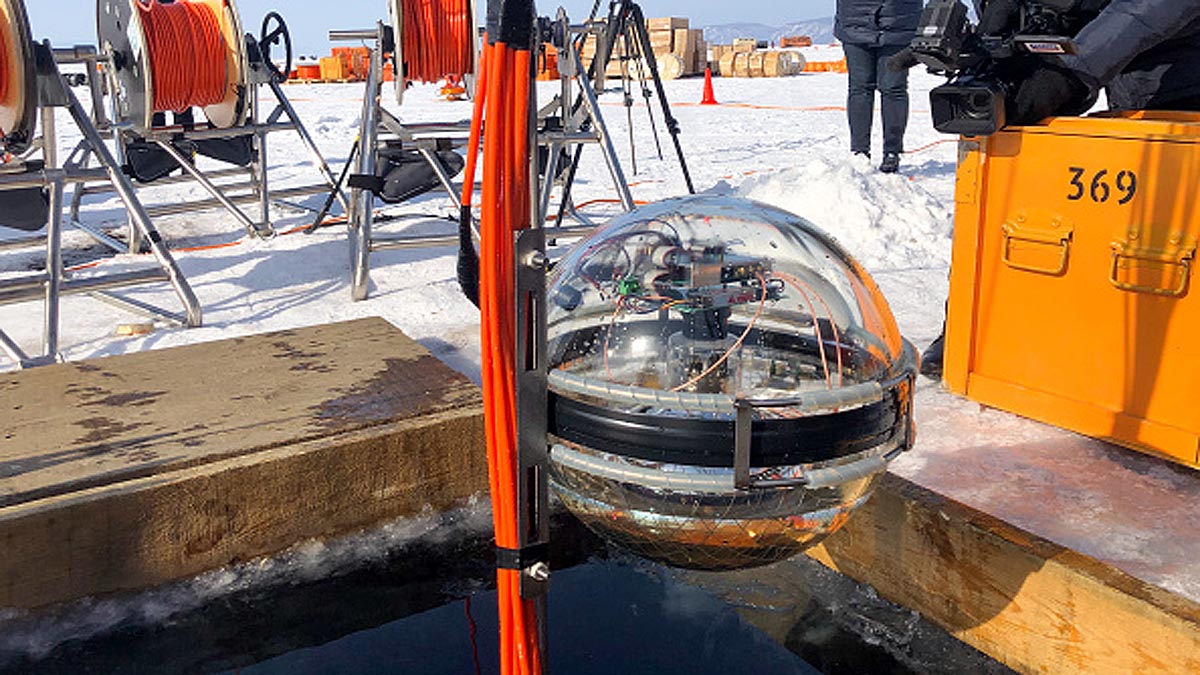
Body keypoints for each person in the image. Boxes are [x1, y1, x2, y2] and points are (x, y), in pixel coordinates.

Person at [920, 0, 1200, 378]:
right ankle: (967, 320)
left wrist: (1072, 71)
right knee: (1011, 168)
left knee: (1169, 214)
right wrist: (991, 41)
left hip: (1174, 59)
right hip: (1090, 43)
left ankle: (1169, 357)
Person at [835, 0, 925, 173]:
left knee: (893, 87)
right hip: (856, 21)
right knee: (860, 87)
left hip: (899, 22)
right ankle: (860, 151)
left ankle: (892, 151)